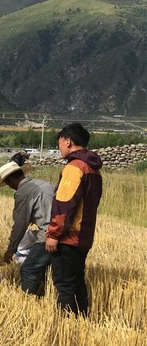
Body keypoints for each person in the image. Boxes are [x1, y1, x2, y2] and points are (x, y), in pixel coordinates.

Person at [45, 123, 103, 316]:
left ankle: (66, 323)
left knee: (65, 285)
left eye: (60, 143)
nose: (59, 147)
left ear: (67, 141)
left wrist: (54, 234)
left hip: (69, 237)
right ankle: (81, 320)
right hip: (84, 236)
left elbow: (65, 205)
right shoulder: (93, 169)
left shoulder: (74, 168)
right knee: (77, 282)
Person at [0, 153, 55, 297]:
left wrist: (11, 249)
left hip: (49, 234)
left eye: (8, 184)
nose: (10, 187)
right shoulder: (42, 184)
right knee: (45, 269)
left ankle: (29, 300)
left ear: (12, 180)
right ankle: (43, 296)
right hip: (64, 231)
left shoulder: (23, 192)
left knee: (29, 269)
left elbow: (20, 225)